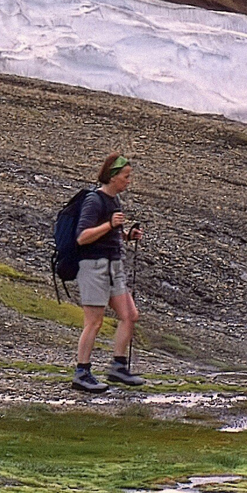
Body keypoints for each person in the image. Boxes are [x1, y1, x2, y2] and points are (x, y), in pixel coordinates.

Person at [63, 154, 143, 394]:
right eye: (126, 176)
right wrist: (110, 225)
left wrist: (127, 235)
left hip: (113, 266)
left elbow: (109, 233)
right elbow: (82, 236)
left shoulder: (113, 200)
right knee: (94, 322)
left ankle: (118, 367)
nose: (128, 181)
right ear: (113, 176)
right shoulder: (94, 201)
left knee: (129, 315)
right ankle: (82, 372)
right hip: (93, 267)